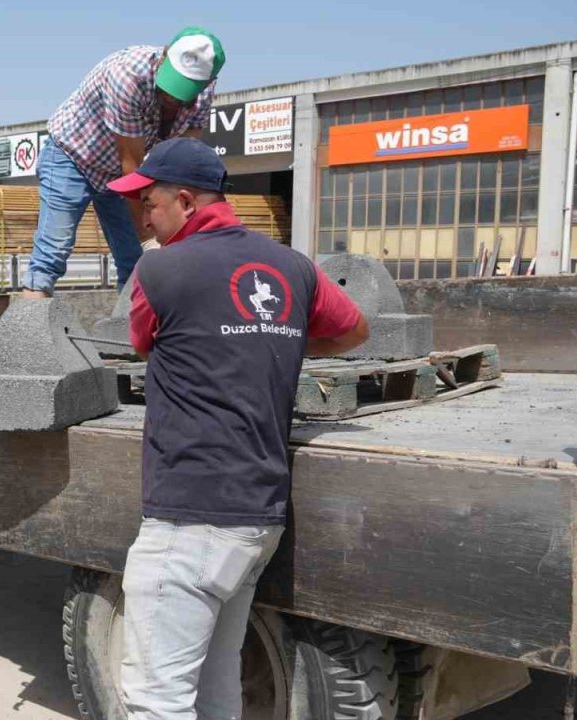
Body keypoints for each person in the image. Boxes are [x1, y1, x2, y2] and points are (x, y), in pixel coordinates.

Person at [108, 138, 370, 720]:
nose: (143, 219)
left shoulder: (159, 269)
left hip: (189, 517)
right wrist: (274, 337)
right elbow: (354, 331)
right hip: (257, 519)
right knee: (215, 691)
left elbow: (140, 341)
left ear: (183, 200)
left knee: (156, 701)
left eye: (149, 204)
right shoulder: (293, 265)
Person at [21, 26, 226, 298]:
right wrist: (151, 239)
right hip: (72, 157)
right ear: (164, 55)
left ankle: (132, 331)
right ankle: (27, 328)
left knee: (135, 263)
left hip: (122, 171)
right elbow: (131, 165)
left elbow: (179, 161)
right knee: (53, 251)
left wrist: (173, 233)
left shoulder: (203, 93)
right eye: (172, 84)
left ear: (208, 81)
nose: (173, 97)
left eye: (182, 91)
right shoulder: (127, 75)